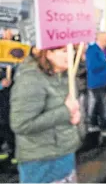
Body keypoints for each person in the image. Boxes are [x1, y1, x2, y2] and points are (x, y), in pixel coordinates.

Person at [10, 47, 81, 183]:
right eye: (64, 51)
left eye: (72, 50)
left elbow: (68, 111)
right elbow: (21, 124)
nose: (71, 54)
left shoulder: (66, 76)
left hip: (65, 153)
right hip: (41, 161)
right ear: (48, 54)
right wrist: (66, 112)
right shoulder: (31, 79)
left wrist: (76, 117)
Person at [86, 32, 106, 135]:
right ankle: (101, 126)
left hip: (103, 81)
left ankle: (97, 125)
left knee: (101, 104)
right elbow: (93, 66)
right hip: (96, 82)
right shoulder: (92, 50)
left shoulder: (103, 50)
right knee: (101, 105)